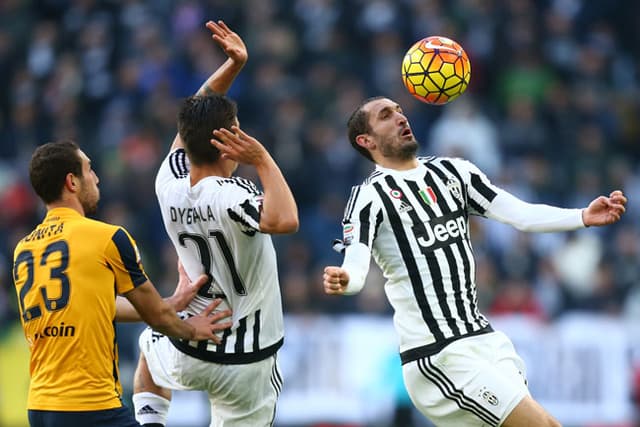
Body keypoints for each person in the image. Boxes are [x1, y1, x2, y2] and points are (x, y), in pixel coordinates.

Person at [323, 96, 627, 427]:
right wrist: (345, 280)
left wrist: (581, 216)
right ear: (366, 141)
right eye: (386, 115)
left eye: (399, 110)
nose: (399, 117)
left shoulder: (454, 172)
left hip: (487, 341)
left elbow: (519, 214)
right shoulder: (369, 196)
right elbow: (356, 262)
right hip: (437, 354)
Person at [131, 20, 298, 427]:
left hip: (192, 342)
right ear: (232, 138)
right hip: (249, 358)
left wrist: (232, 66)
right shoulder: (232, 194)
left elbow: (191, 120)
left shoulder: (168, 182)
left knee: (149, 349)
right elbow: (286, 220)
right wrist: (262, 159)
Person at [12, 140, 233, 427]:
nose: (96, 177)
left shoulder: (23, 249)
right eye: (89, 170)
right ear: (72, 182)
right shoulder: (107, 238)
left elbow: (93, 305)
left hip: (40, 407)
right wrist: (192, 329)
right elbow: (158, 319)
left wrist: (171, 304)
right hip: (89, 406)